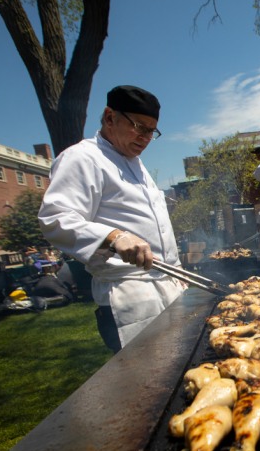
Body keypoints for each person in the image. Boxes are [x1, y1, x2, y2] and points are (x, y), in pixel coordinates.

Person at [38, 85, 184, 353]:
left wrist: (178, 271)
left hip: (168, 289)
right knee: (149, 385)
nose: (146, 138)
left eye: (152, 131)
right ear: (109, 117)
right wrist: (114, 236)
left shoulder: (136, 165)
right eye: (139, 127)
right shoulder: (83, 157)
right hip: (129, 297)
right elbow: (56, 218)